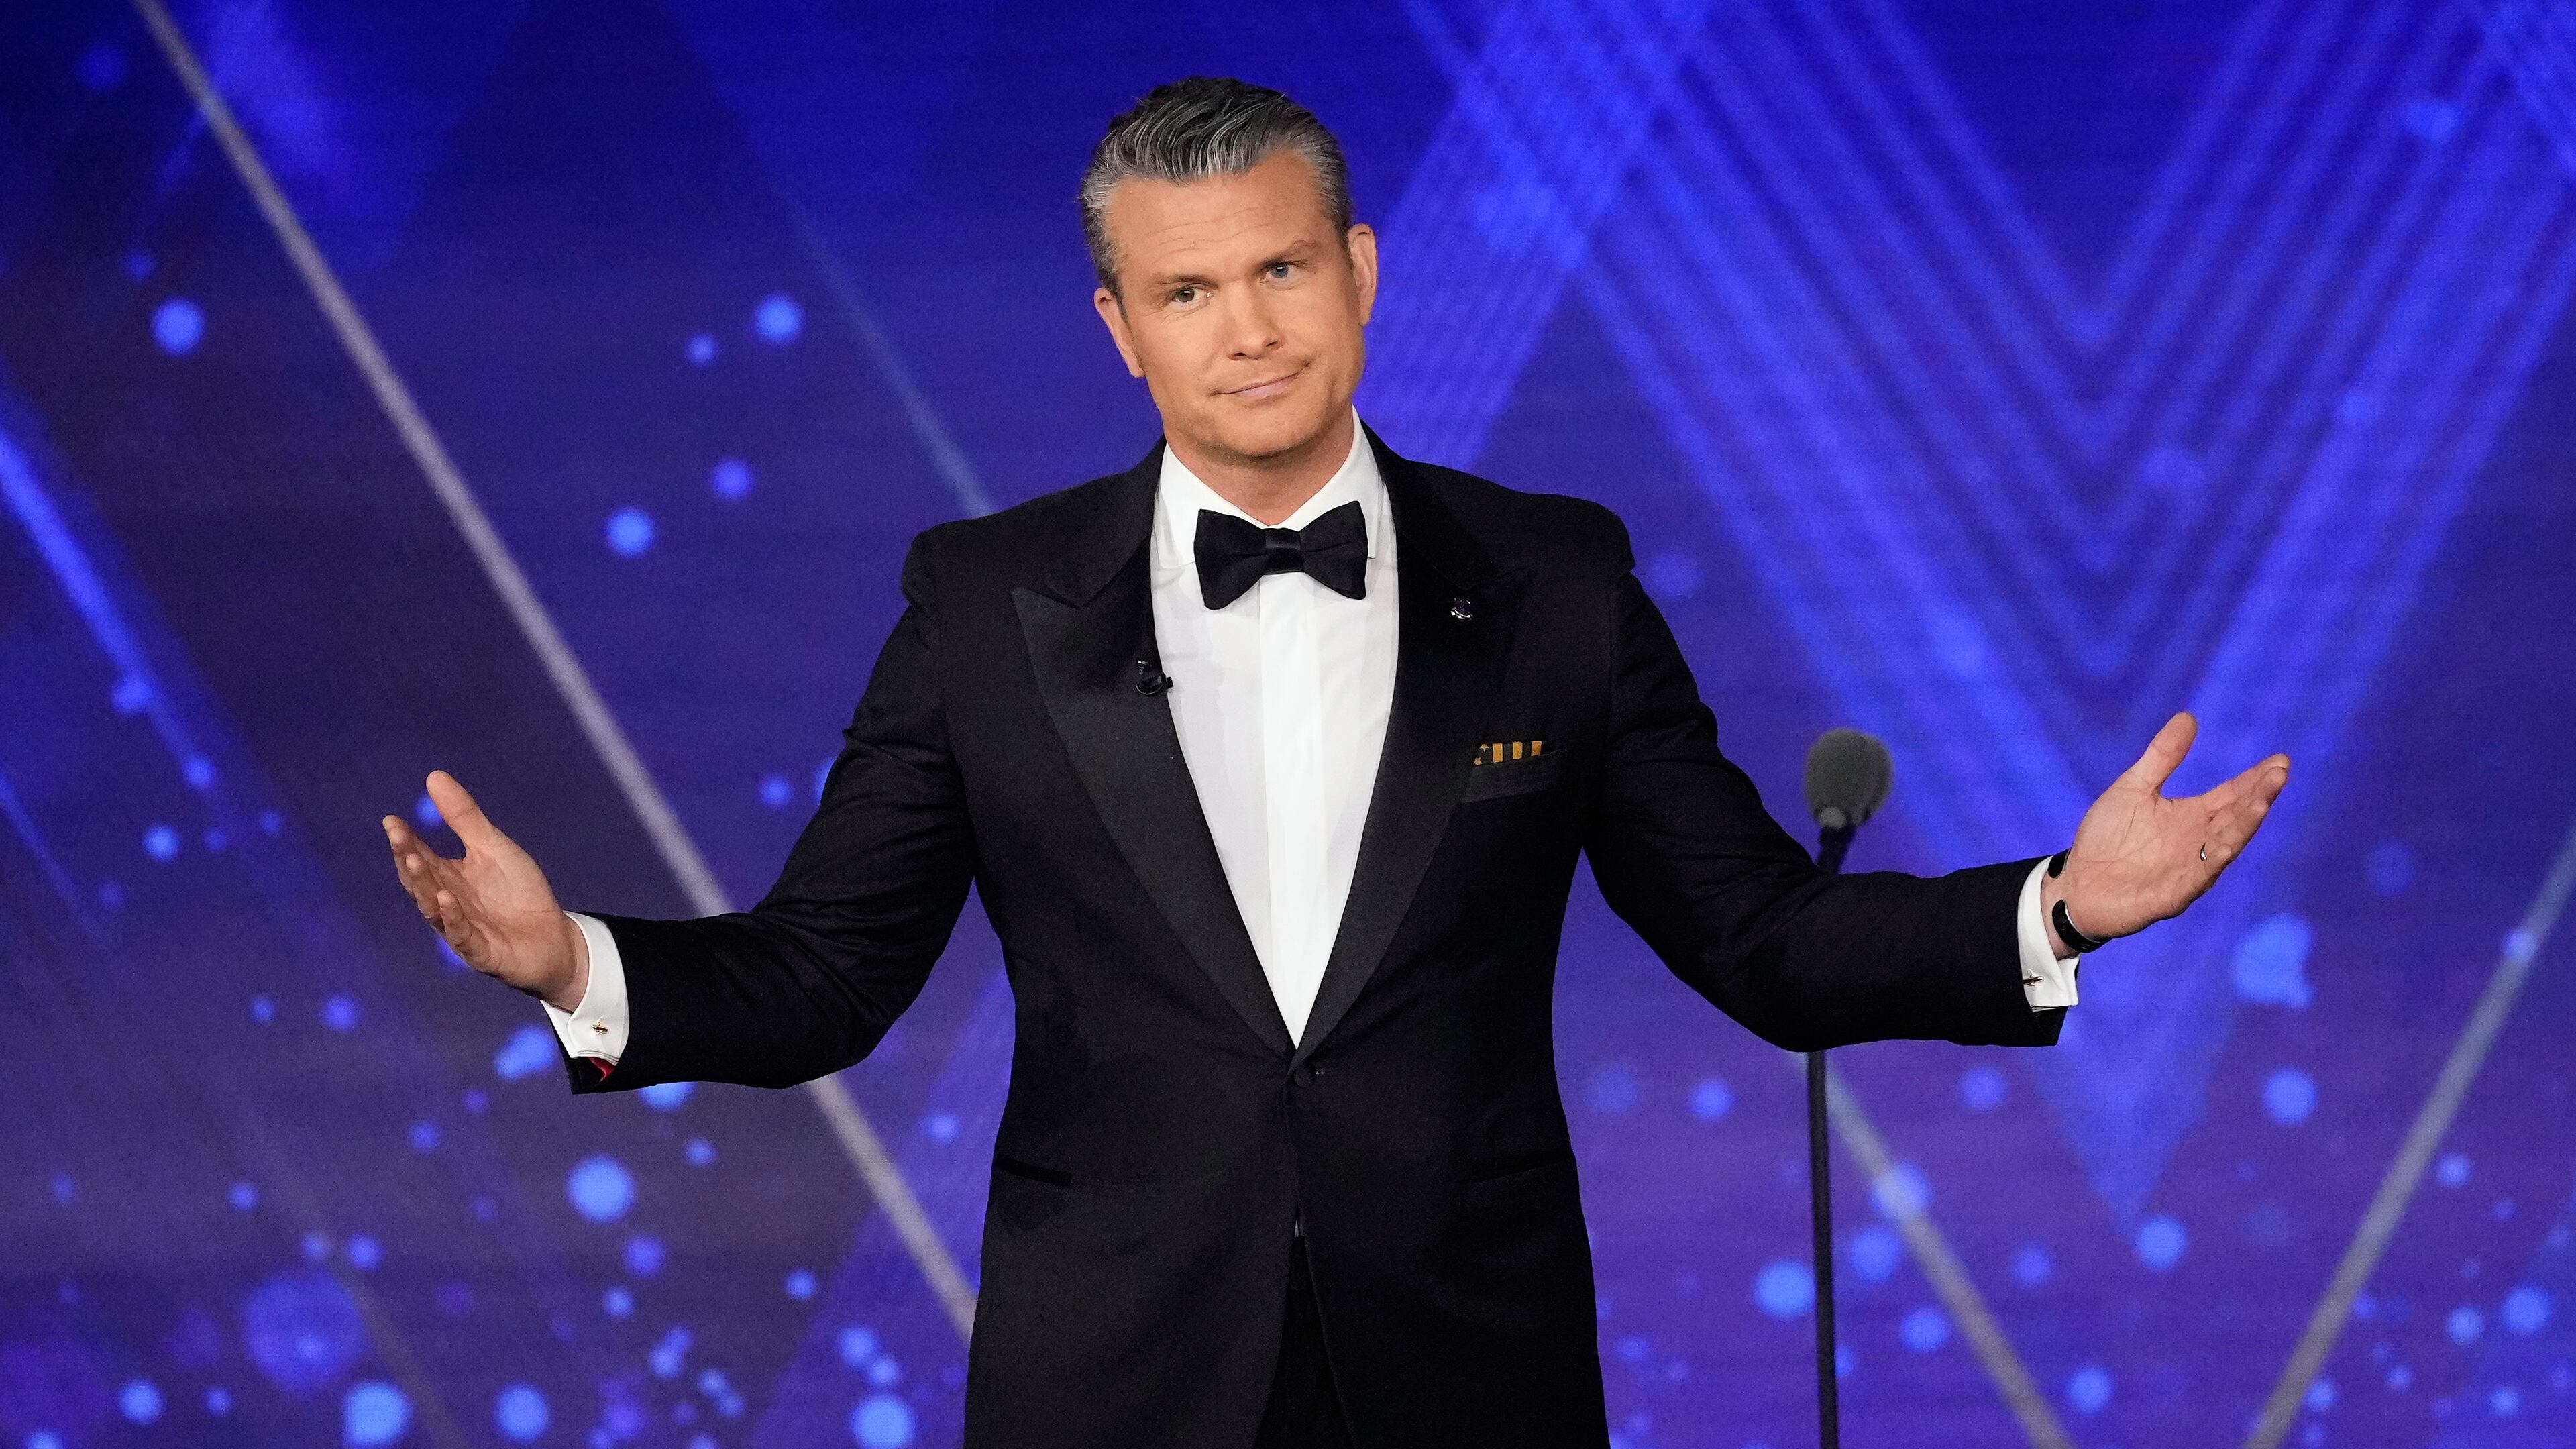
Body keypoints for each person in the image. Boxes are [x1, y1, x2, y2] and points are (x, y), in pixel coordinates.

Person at [381, 76, 2288, 1449]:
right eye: (1189, 294)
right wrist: (578, 967)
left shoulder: (1552, 580)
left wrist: (2056, 907)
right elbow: (828, 973)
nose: (1248, 331)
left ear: (1362, 270)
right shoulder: (986, 602)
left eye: (1282, 269)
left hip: (1469, 1354)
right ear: (1120, 332)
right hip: (1113, 1370)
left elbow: (1758, 936)